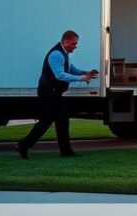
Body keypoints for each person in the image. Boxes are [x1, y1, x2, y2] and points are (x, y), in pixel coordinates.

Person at [17, 30, 98, 159]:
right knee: (56, 120)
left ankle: (26, 145)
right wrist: (80, 78)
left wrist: (85, 72)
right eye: (73, 44)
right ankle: (26, 145)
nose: (75, 47)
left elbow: (71, 68)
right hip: (49, 92)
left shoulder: (63, 53)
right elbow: (59, 75)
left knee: (55, 120)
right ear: (65, 41)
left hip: (52, 92)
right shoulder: (56, 54)